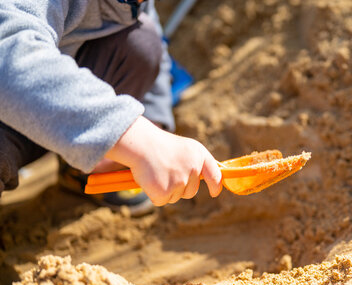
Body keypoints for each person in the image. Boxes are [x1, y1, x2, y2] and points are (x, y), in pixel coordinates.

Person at [0, 0, 222, 215]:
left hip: (41, 119)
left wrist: (153, 124)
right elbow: (7, 55)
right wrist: (136, 137)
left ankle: (85, 171)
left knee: (140, 42)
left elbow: (155, 48)